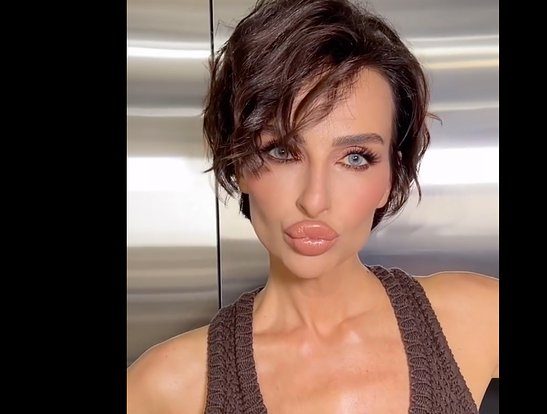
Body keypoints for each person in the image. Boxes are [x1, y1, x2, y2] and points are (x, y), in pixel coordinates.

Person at [127, 0, 499, 413]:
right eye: (282, 151)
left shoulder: (476, 317)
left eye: (355, 158)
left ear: (390, 179)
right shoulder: (169, 385)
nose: (314, 199)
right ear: (241, 164)